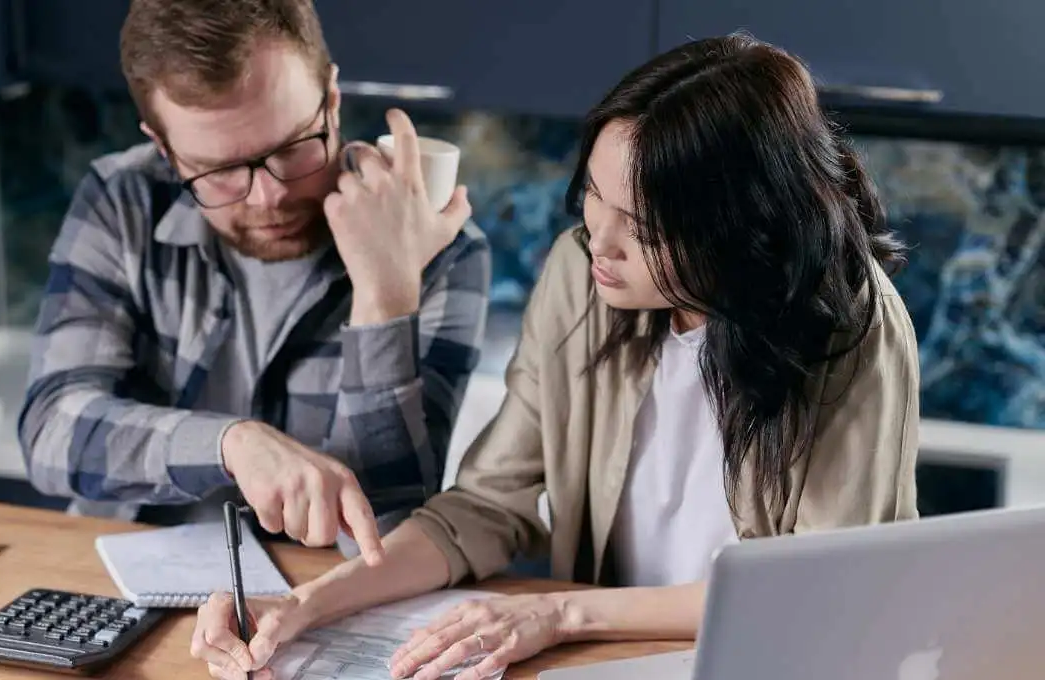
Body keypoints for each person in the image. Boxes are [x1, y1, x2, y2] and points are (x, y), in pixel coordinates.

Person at [189, 32, 921, 680]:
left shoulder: (853, 328)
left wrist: (563, 616)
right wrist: (306, 604)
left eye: (642, 227)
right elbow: (481, 508)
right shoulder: (583, 276)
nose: (597, 241)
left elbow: (817, 591)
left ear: (740, 228)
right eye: (594, 197)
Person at [17, 0, 491, 563]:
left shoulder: (440, 248)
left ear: (332, 98)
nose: (270, 198)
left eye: (292, 149)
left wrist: (384, 297)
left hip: (319, 602)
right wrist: (231, 445)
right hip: (126, 575)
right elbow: (51, 431)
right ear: (164, 147)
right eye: (217, 171)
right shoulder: (123, 200)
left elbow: (389, 533)